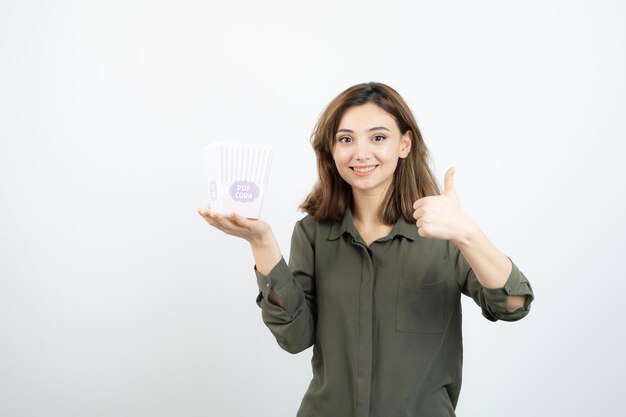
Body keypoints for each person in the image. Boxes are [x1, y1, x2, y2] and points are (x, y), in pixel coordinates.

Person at [197, 82, 534, 417]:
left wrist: (468, 234)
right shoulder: (313, 233)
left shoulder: (444, 233)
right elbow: (295, 337)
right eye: (346, 139)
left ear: (404, 143)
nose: (360, 153)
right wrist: (261, 242)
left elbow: (513, 304)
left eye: (378, 137)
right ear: (331, 150)